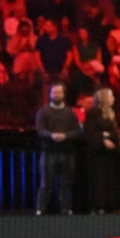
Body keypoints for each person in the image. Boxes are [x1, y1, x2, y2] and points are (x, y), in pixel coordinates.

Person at [35, 83, 81, 215]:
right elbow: (40, 130)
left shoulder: (70, 113)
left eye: (59, 92)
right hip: (49, 151)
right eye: (54, 93)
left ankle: (66, 209)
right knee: (46, 183)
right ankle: (40, 209)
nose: (56, 95)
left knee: (66, 183)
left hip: (67, 152)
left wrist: (65, 136)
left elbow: (77, 131)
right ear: (50, 94)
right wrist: (51, 135)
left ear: (64, 94)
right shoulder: (43, 112)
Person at [83, 87, 120, 213]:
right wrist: (102, 138)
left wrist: (108, 136)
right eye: (111, 96)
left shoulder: (111, 113)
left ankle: (108, 205)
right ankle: (97, 206)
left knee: (108, 180)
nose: (113, 98)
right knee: (98, 180)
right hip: (97, 154)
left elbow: (114, 133)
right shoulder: (93, 113)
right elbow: (89, 132)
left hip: (109, 155)